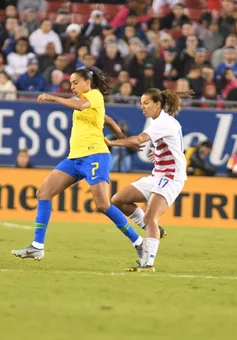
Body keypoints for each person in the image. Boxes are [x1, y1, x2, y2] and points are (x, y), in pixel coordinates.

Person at [12, 67, 144, 262]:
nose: (72, 86)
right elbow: (107, 120)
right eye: (71, 83)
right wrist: (125, 139)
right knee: (44, 193)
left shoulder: (94, 95)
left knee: (103, 204)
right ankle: (37, 246)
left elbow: (82, 106)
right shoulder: (88, 102)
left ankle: (139, 242)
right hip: (75, 157)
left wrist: (53, 97)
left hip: (95, 155)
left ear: (87, 83)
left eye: (75, 82)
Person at [105, 88, 189, 272]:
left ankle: (148, 262)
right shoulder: (160, 122)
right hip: (158, 174)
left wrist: (111, 143)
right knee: (118, 200)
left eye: (146, 103)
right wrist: (157, 152)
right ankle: (153, 230)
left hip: (171, 177)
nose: (142, 107)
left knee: (151, 216)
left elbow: (137, 141)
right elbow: (170, 145)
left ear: (157, 104)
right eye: (141, 103)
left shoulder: (163, 123)